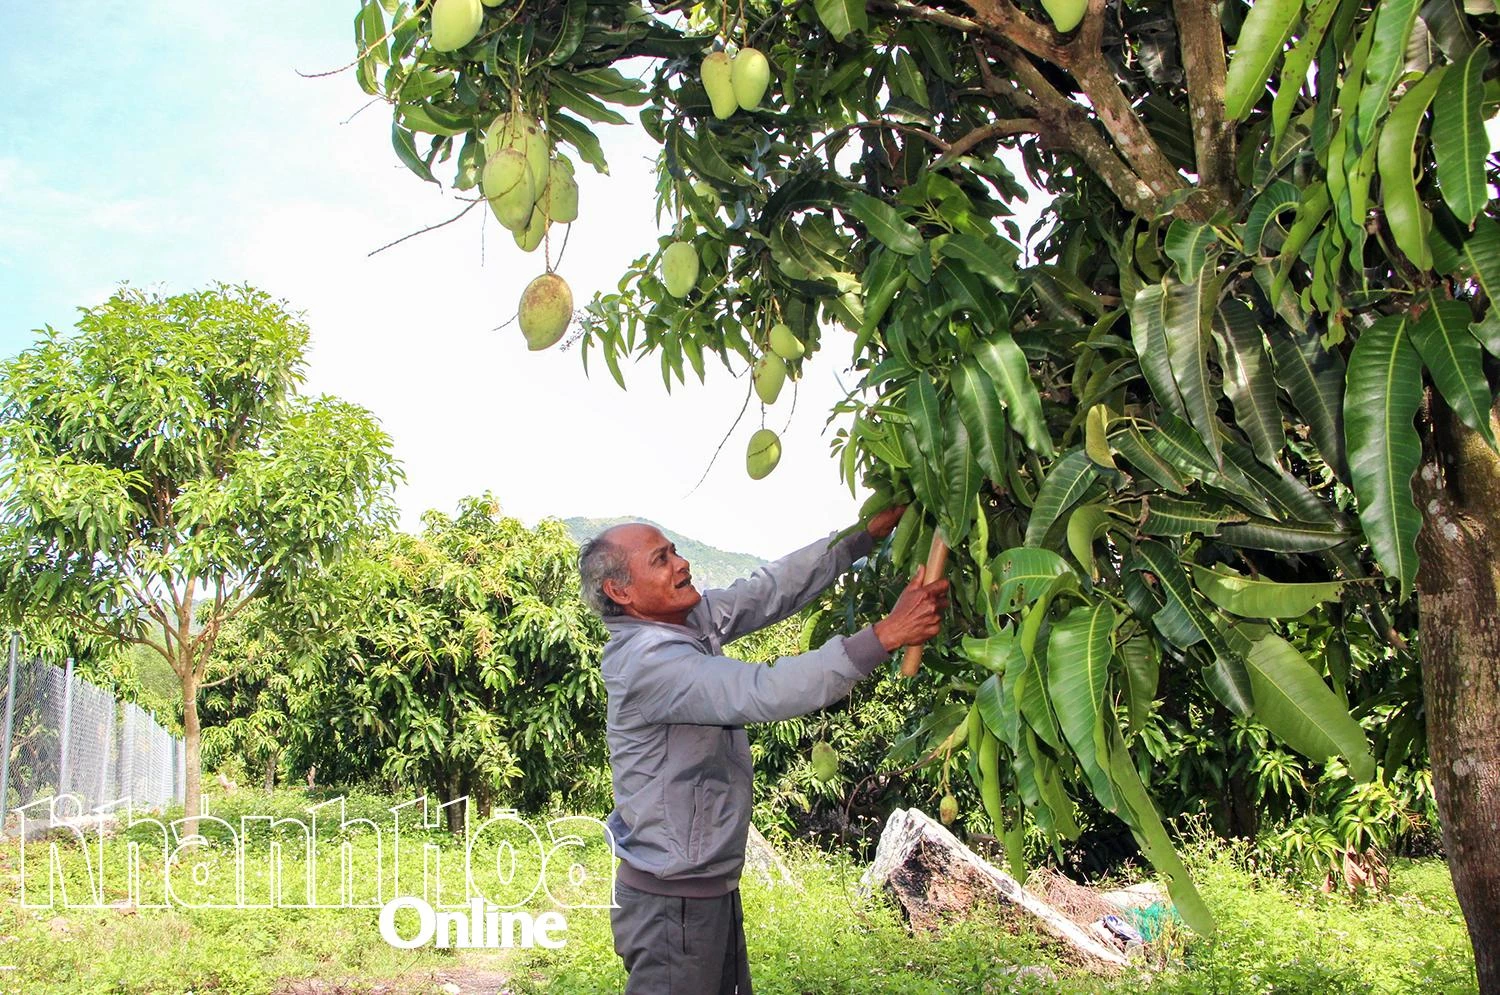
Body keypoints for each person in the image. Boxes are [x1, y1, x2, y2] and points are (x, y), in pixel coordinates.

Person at [576, 509, 949, 994]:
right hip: (673, 907)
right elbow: (765, 689)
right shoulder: (649, 662)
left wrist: (861, 538)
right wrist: (885, 635)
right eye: (661, 559)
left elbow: (768, 589)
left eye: (675, 550)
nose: (681, 563)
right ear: (621, 592)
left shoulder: (686, 622)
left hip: (702, 894)